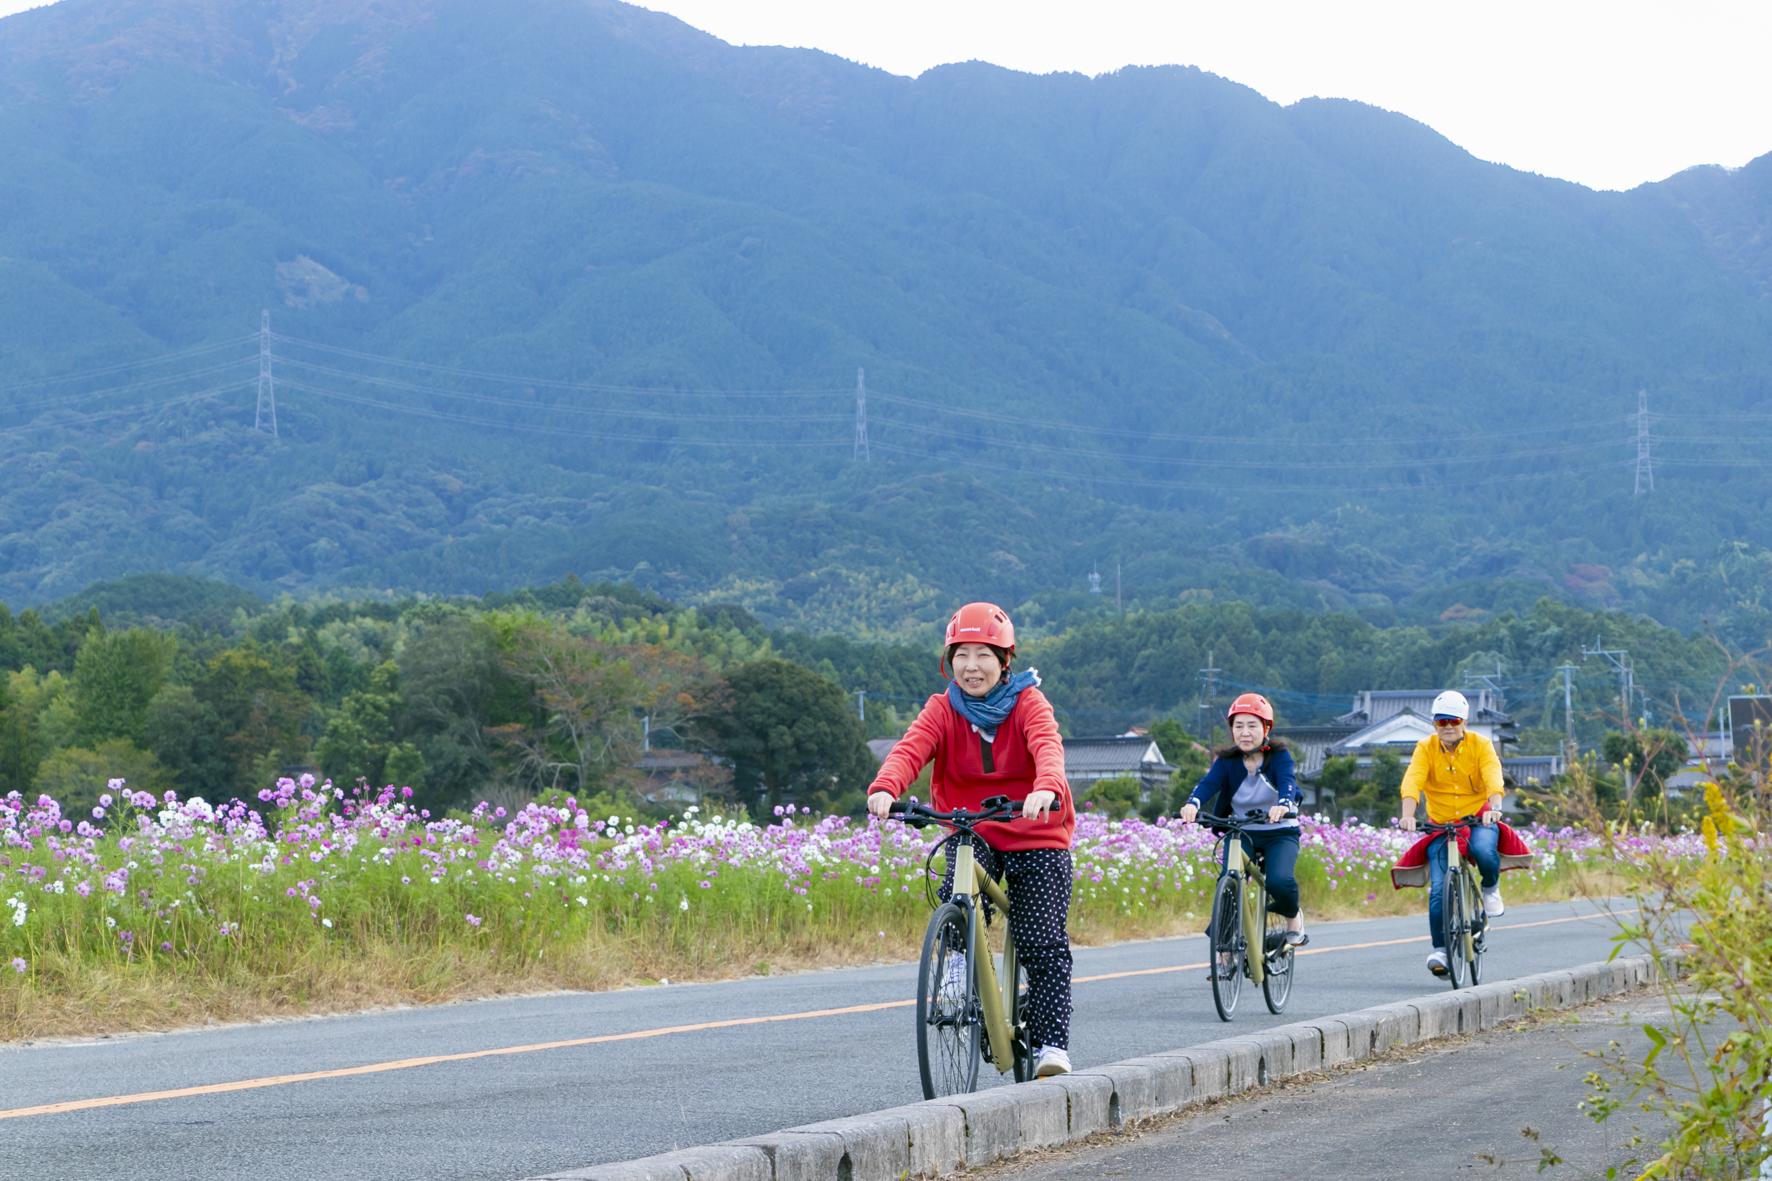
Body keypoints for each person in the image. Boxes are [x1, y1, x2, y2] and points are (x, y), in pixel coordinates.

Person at [866, 601, 1077, 1078]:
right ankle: (958, 973)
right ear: (949, 660)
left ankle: (1050, 1046)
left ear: (1005, 661)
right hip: (973, 825)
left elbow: (1048, 747)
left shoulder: (1029, 703)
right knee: (955, 885)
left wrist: (1046, 788)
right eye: (961, 654)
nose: (971, 665)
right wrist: (885, 788)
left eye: (983, 654)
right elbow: (911, 748)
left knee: (1041, 939)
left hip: (1036, 830)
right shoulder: (943, 708)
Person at [1178, 692, 1306, 974]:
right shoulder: (1226, 761)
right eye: (1238, 726)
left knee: (1280, 881)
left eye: (1252, 725)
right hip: (1241, 832)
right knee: (1228, 884)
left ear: (1266, 729)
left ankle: (1292, 915)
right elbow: (1207, 784)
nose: (1245, 733)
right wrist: (1192, 804)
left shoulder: (1279, 756)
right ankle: (1225, 953)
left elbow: (1287, 782)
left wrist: (1284, 804)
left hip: (1279, 832)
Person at [1398, 688, 1509, 978]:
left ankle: (1490, 888)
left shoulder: (1481, 745)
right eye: (1441, 722)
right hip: (1441, 825)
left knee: (1485, 851)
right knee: (1438, 893)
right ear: (1434, 724)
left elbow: (1492, 775)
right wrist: (1408, 815)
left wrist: (1495, 806)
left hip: (1477, 818)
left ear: (1464, 722)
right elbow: (1413, 780)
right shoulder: (1425, 748)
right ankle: (1442, 950)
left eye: (1453, 721)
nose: (1447, 727)